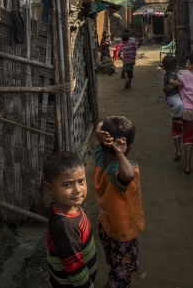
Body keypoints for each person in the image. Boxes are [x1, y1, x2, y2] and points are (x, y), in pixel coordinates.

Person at [94, 117, 144, 288]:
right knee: (122, 275)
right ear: (128, 146)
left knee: (114, 261)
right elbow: (128, 175)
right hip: (122, 232)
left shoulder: (100, 156)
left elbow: (100, 126)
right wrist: (120, 154)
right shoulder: (118, 169)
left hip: (106, 224)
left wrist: (99, 134)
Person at [43, 151, 97, 288]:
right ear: (49, 188)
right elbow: (75, 270)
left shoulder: (71, 207)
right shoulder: (65, 228)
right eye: (67, 185)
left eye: (81, 181)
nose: (77, 190)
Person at [161, 54, 184, 126]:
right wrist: (180, 84)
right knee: (180, 104)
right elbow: (171, 81)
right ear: (175, 66)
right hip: (173, 96)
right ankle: (175, 116)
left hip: (171, 96)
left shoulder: (167, 74)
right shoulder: (172, 74)